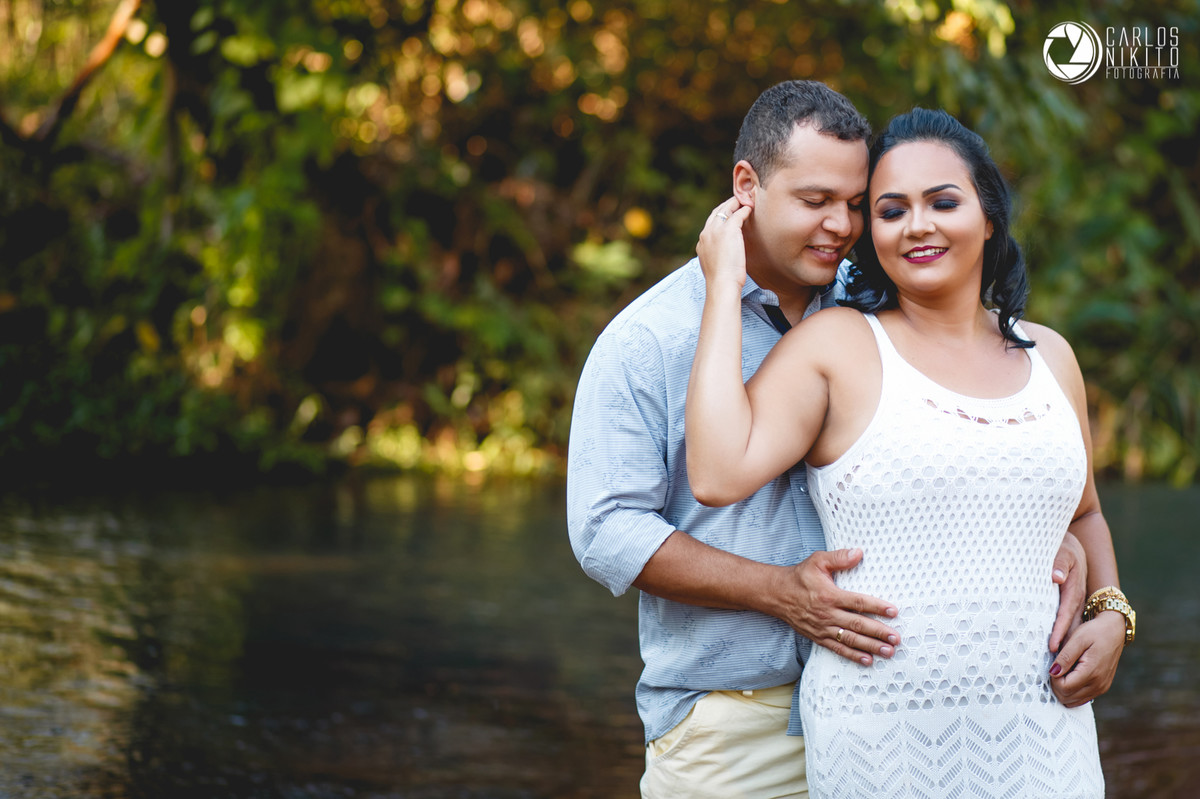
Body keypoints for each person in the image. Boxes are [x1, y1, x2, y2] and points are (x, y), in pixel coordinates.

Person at [567, 82, 1104, 799]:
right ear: (746, 187)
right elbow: (606, 529)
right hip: (740, 718)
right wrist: (778, 592)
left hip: (890, 701)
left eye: (856, 204)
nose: (841, 225)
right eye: (817, 201)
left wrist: (1052, 543)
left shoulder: (873, 299)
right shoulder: (648, 340)